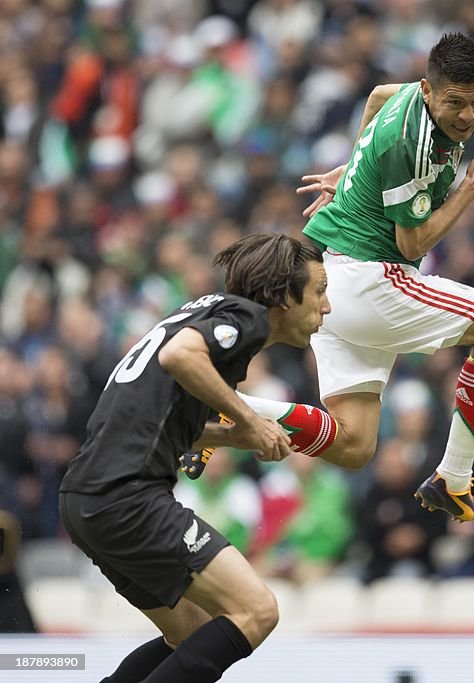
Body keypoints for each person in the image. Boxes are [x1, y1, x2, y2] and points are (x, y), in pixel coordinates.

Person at [228, 32, 474, 524]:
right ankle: (453, 476)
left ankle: (228, 409)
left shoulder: (408, 97)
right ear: (429, 91)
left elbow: (378, 96)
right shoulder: (412, 143)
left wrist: (354, 168)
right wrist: (470, 187)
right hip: (371, 280)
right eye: (456, 103)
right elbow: (413, 243)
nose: (468, 115)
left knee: (354, 443)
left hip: (336, 279)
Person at [58, 233, 329, 683]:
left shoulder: (204, 312)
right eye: (319, 291)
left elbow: (149, 416)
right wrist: (249, 420)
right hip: (127, 496)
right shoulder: (248, 317)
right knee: (257, 611)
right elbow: (179, 355)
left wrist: (230, 436)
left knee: (192, 633)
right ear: (284, 294)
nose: (327, 306)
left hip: (86, 499)